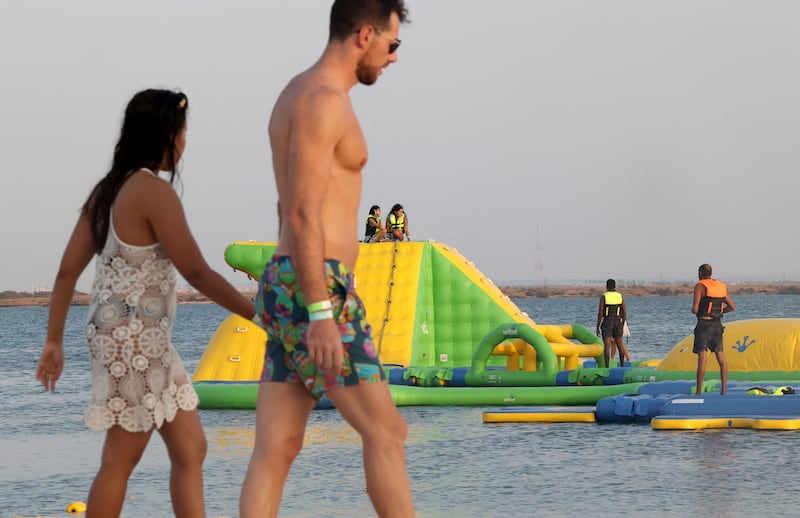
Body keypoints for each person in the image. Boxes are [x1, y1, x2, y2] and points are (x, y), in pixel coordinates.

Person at [35, 89, 255, 518]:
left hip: (128, 333)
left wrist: (54, 341)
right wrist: (261, 316)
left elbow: (66, 273)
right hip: (135, 338)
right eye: (183, 131)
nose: (185, 142)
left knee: (190, 447)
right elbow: (197, 272)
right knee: (120, 458)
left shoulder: (107, 191)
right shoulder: (154, 192)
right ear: (165, 135)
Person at [239, 2, 414, 517]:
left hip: (291, 280)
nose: (393, 58)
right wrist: (318, 311)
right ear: (365, 34)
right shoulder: (323, 102)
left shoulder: (295, 93)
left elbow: (285, 206)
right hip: (318, 286)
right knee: (387, 431)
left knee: (278, 446)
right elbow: (298, 211)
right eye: (392, 44)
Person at [692, 263, 735, 395]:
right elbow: (732, 307)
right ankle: (723, 390)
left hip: (704, 325)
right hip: (717, 325)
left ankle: (698, 392)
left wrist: (701, 311)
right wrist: (720, 312)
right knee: (721, 358)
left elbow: (695, 309)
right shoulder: (720, 286)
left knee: (702, 358)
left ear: (700, 273)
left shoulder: (700, 286)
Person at [596, 278, 631, 367]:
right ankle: (622, 366)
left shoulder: (604, 296)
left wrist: (597, 326)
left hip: (608, 321)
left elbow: (600, 313)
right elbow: (624, 312)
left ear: (606, 286)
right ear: (615, 286)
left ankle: (607, 367)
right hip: (618, 321)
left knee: (607, 345)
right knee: (620, 345)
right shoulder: (620, 296)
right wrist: (622, 325)